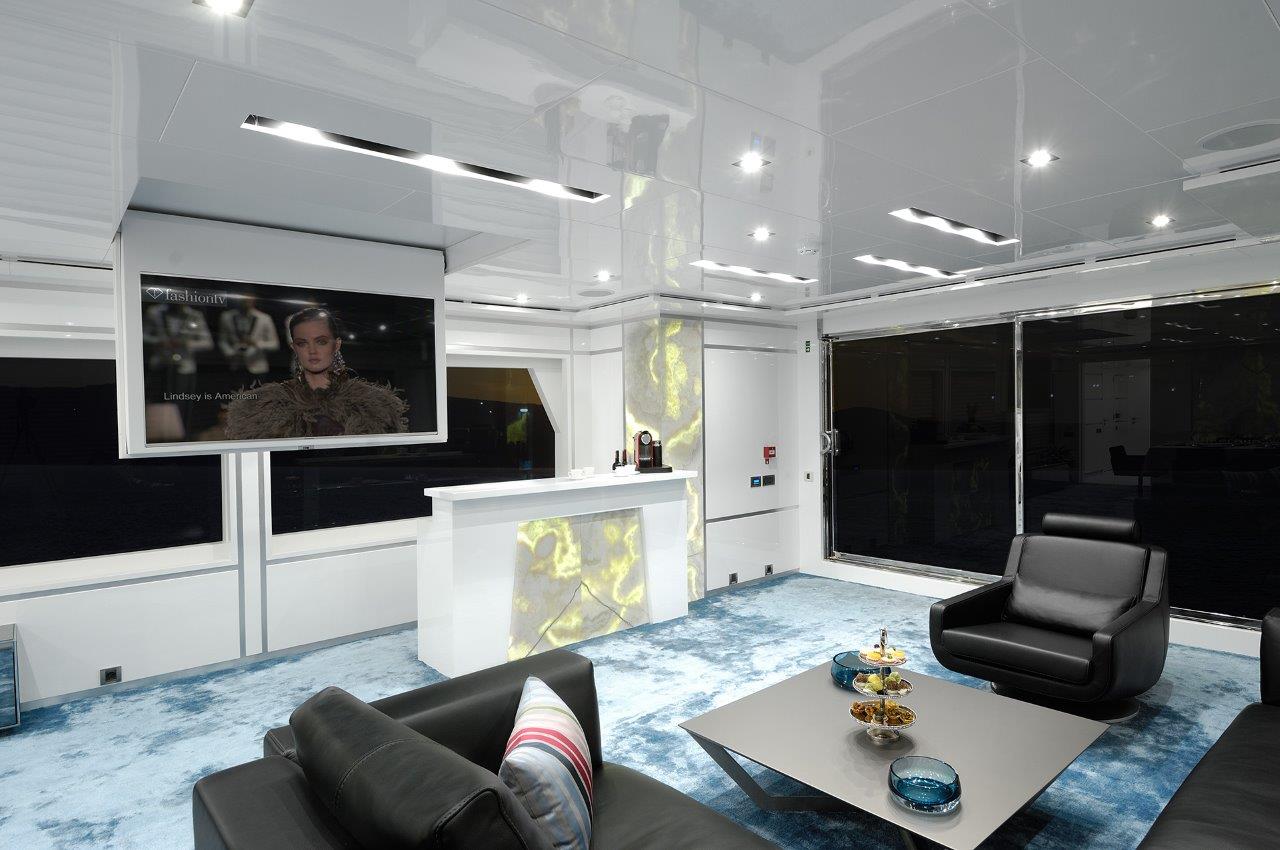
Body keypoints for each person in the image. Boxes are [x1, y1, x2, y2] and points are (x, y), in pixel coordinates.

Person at [224, 307, 407, 439]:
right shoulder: (262, 408)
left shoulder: (373, 405)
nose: (312, 351)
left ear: (336, 345)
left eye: (321, 342)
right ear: (294, 347)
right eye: (302, 343)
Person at [217, 296, 279, 376]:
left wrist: (256, 343)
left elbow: (275, 344)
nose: (246, 300)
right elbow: (222, 340)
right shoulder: (226, 316)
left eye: (249, 297)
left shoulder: (264, 318)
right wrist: (230, 353)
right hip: (235, 365)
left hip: (258, 367)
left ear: (254, 299)